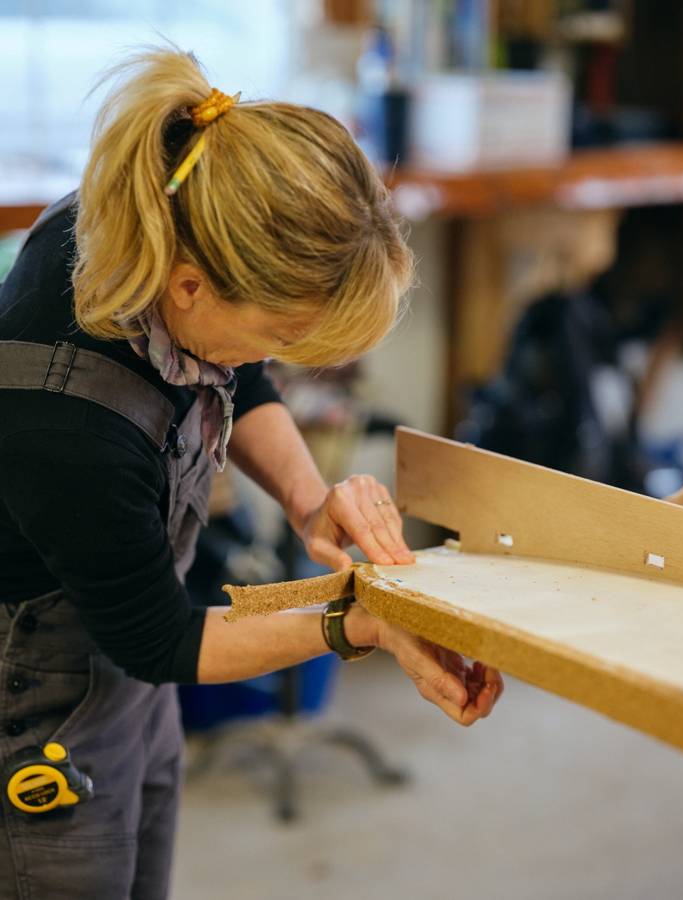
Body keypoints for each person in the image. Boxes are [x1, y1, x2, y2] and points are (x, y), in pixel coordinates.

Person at [0, 48, 503, 899]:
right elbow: (162, 639)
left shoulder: (168, 225)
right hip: (38, 700)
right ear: (191, 287)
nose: (277, 360)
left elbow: (239, 367)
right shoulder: (67, 424)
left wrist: (313, 502)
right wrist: (359, 624)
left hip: (128, 668)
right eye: (279, 331)